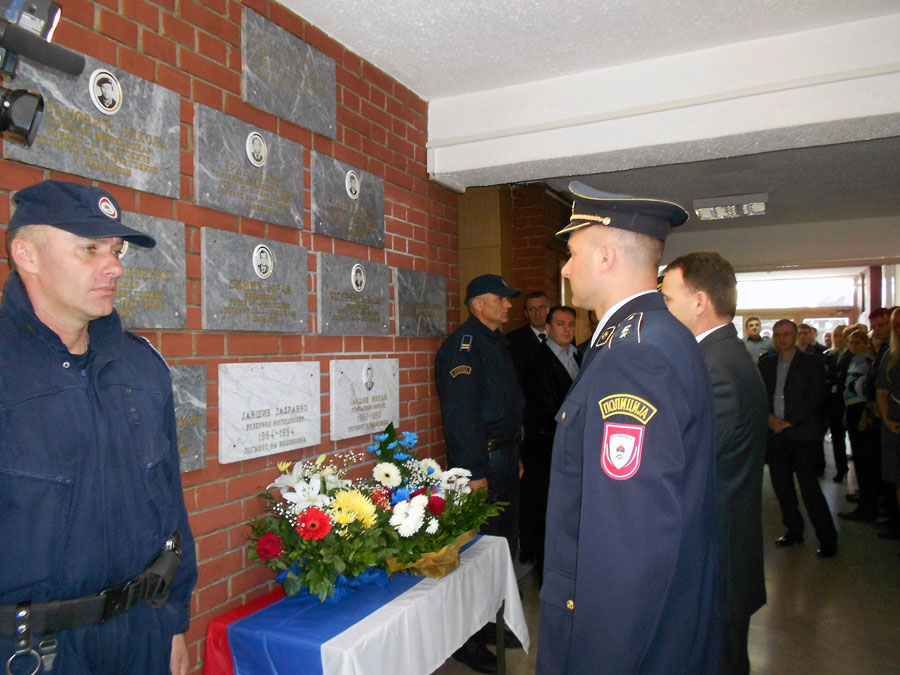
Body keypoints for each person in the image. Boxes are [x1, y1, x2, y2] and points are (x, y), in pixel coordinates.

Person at [0, 180, 197, 674]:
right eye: (89, 248)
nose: (114, 265)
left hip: (141, 636)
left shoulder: (140, 367)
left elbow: (170, 502)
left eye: (116, 249)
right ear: (26, 254)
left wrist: (173, 622)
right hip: (32, 652)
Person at [537, 182, 720, 673]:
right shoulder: (648, 336)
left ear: (606, 255)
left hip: (620, 633)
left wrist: (602, 657)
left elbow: (627, 541)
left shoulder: (634, 354)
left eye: (573, 253)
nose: (565, 267)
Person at [661, 251, 768, 675]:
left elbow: (690, 463)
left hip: (717, 552)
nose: (663, 310)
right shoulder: (721, 356)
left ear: (700, 302)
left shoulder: (714, 367)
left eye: (668, 299)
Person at [434, 273, 525, 673]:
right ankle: (465, 640)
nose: (508, 304)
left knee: (500, 547)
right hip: (480, 464)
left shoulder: (495, 342)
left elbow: (504, 403)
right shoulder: (463, 346)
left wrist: (514, 450)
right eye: (500, 298)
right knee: (476, 553)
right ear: (477, 304)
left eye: (508, 299)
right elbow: (461, 415)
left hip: (503, 458)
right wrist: (472, 471)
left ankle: (487, 622)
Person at [758, 319, 837, 557]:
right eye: (778, 334)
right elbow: (761, 394)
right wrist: (770, 418)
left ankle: (828, 538)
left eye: (787, 334)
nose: (782, 338)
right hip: (776, 434)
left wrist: (791, 420)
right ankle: (793, 529)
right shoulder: (766, 363)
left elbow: (816, 395)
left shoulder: (812, 362)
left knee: (809, 488)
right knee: (782, 486)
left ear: (795, 336)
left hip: (802, 433)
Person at [519, 305, 580, 579]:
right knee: (546, 513)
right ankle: (546, 572)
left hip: (571, 449)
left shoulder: (578, 356)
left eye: (571, 324)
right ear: (548, 327)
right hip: (546, 450)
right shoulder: (537, 362)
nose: (566, 329)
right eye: (560, 324)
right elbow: (546, 410)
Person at [839, 329, 878, 522]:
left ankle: (868, 504)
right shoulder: (855, 359)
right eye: (851, 342)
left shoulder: (868, 360)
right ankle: (863, 496)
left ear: (865, 344)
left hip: (862, 410)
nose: (853, 346)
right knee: (858, 455)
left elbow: (866, 390)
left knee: (864, 459)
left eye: (857, 343)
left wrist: (865, 413)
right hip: (852, 408)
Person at [875, 308, 900, 540]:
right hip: (892, 426)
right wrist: (886, 418)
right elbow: (881, 391)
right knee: (894, 478)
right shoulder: (890, 356)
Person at [505, 290, 550, 384]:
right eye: (532, 309)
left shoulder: (561, 336)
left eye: (541, 307)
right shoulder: (512, 340)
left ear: (548, 310)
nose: (537, 313)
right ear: (526, 313)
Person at [824, 325, 850, 482]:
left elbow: (844, 376)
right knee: (837, 438)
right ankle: (841, 468)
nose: (838, 338)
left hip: (849, 400)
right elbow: (826, 373)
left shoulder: (853, 355)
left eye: (841, 335)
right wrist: (836, 375)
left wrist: (834, 374)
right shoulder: (828, 355)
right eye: (836, 335)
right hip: (833, 401)